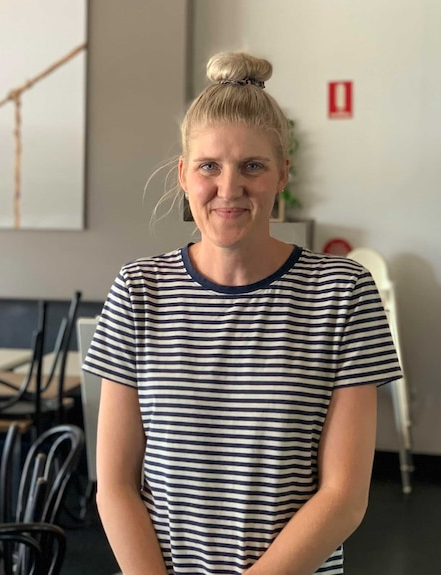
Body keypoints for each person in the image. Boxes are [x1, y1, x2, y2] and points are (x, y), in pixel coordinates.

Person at [81, 51, 402, 575]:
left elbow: (344, 496)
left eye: (252, 166)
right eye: (209, 166)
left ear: (282, 177)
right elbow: (115, 488)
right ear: (184, 176)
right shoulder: (138, 289)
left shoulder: (343, 293)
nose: (228, 188)